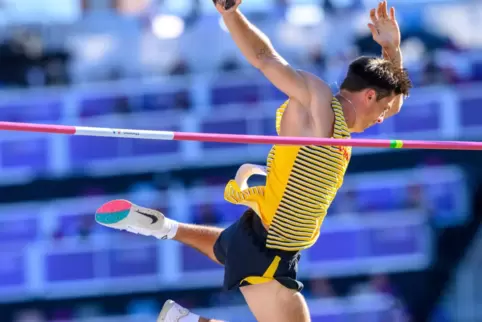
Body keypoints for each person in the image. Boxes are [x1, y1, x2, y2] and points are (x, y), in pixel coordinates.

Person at [95, 1, 411, 321]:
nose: (385, 118)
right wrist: (231, 14)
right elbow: (265, 58)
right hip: (270, 250)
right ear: (369, 96)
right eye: (382, 110)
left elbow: (395, 100)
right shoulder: (318, 104)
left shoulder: (346, 124)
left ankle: (164, 227)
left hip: (260, 233)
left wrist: (392, 50)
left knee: (225, 247)